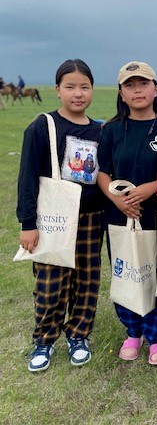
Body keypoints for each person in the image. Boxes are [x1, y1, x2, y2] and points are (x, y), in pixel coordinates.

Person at [17, 59, 103, 372]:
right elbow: (27, 177)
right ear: (57, 90)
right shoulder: (42, 126)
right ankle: (44, 339)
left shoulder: (99, 130)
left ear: (92, 89)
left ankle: (78, 335)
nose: (78, 93)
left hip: (91, 218)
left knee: (86, 280)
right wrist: (28, 224)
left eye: (84, 86)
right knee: (51, 282)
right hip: (52, 219)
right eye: (70, 87)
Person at [97, 61, 157, 365]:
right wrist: (117, 200)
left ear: (155, 89)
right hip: (118, 215)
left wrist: (148, 189)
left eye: (143, 84)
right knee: (126, 271)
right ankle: (132, 331)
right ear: (121, 92)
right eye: (130, 85)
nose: (137, 90)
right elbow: (103, 172)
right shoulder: (113, 128)